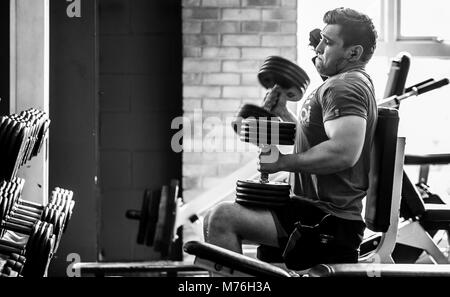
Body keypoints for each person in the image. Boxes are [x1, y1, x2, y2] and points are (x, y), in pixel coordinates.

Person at [203, 7, 378, 267]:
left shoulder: (344, 87)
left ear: (354, 52)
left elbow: (343, 151)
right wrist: (283, 112)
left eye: (328, 42)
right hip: (312, 210)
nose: (318, 47)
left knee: (221, 218)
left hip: (328, 220)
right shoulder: (343, 83)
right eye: (321, 38)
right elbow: (317, 140)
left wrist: (283, 162)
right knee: (213, 218)